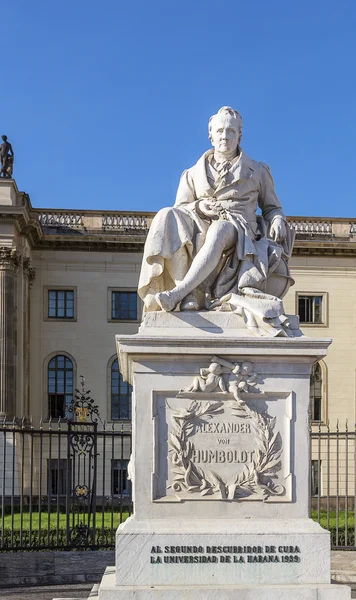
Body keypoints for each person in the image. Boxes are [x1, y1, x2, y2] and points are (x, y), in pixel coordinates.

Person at [138, 107, 295, 335]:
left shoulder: (258, 171)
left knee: (220, 229)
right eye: (220, 131)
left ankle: (178, 293)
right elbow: (181, 208)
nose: (225, 136)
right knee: (165, 216)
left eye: (231, 131)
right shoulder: (192, 173)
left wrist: (278, 218)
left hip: (240, 230)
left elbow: (272, 207)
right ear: (210, 135)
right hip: (201, 223)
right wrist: (199, 206)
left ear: (239, 135)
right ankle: (189, 296)